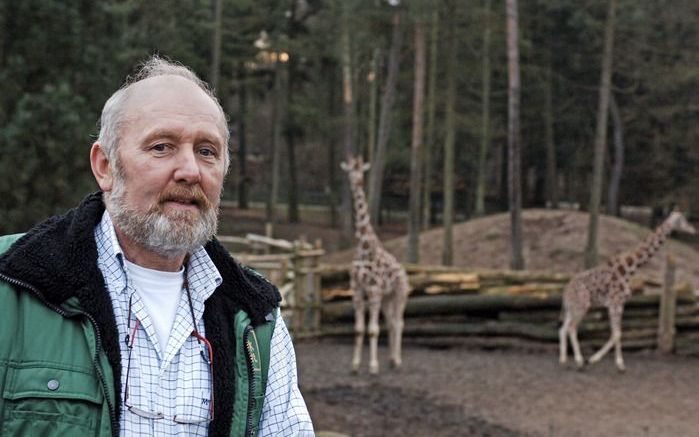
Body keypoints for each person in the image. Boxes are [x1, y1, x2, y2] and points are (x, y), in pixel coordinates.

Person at [0, 56, 314, 437]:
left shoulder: (256, 321)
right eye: (162, 147)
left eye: (207, 151)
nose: (190, 170)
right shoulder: (13, 288)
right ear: (105, 166)